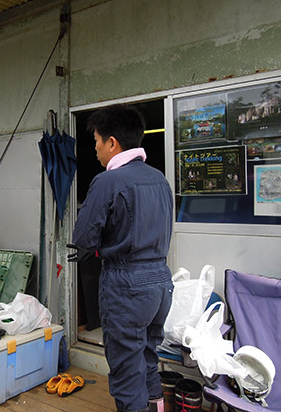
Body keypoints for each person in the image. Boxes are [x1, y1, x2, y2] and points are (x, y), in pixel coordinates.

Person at [69, 105, 174, 412]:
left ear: (112, 142)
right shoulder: (160, 180)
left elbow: (83, 237)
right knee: (148, 360)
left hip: (126, 284)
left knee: (127, 374)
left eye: (97, 143)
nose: (97, 151)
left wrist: (101, 248)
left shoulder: (107, 181)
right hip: (160, 283)